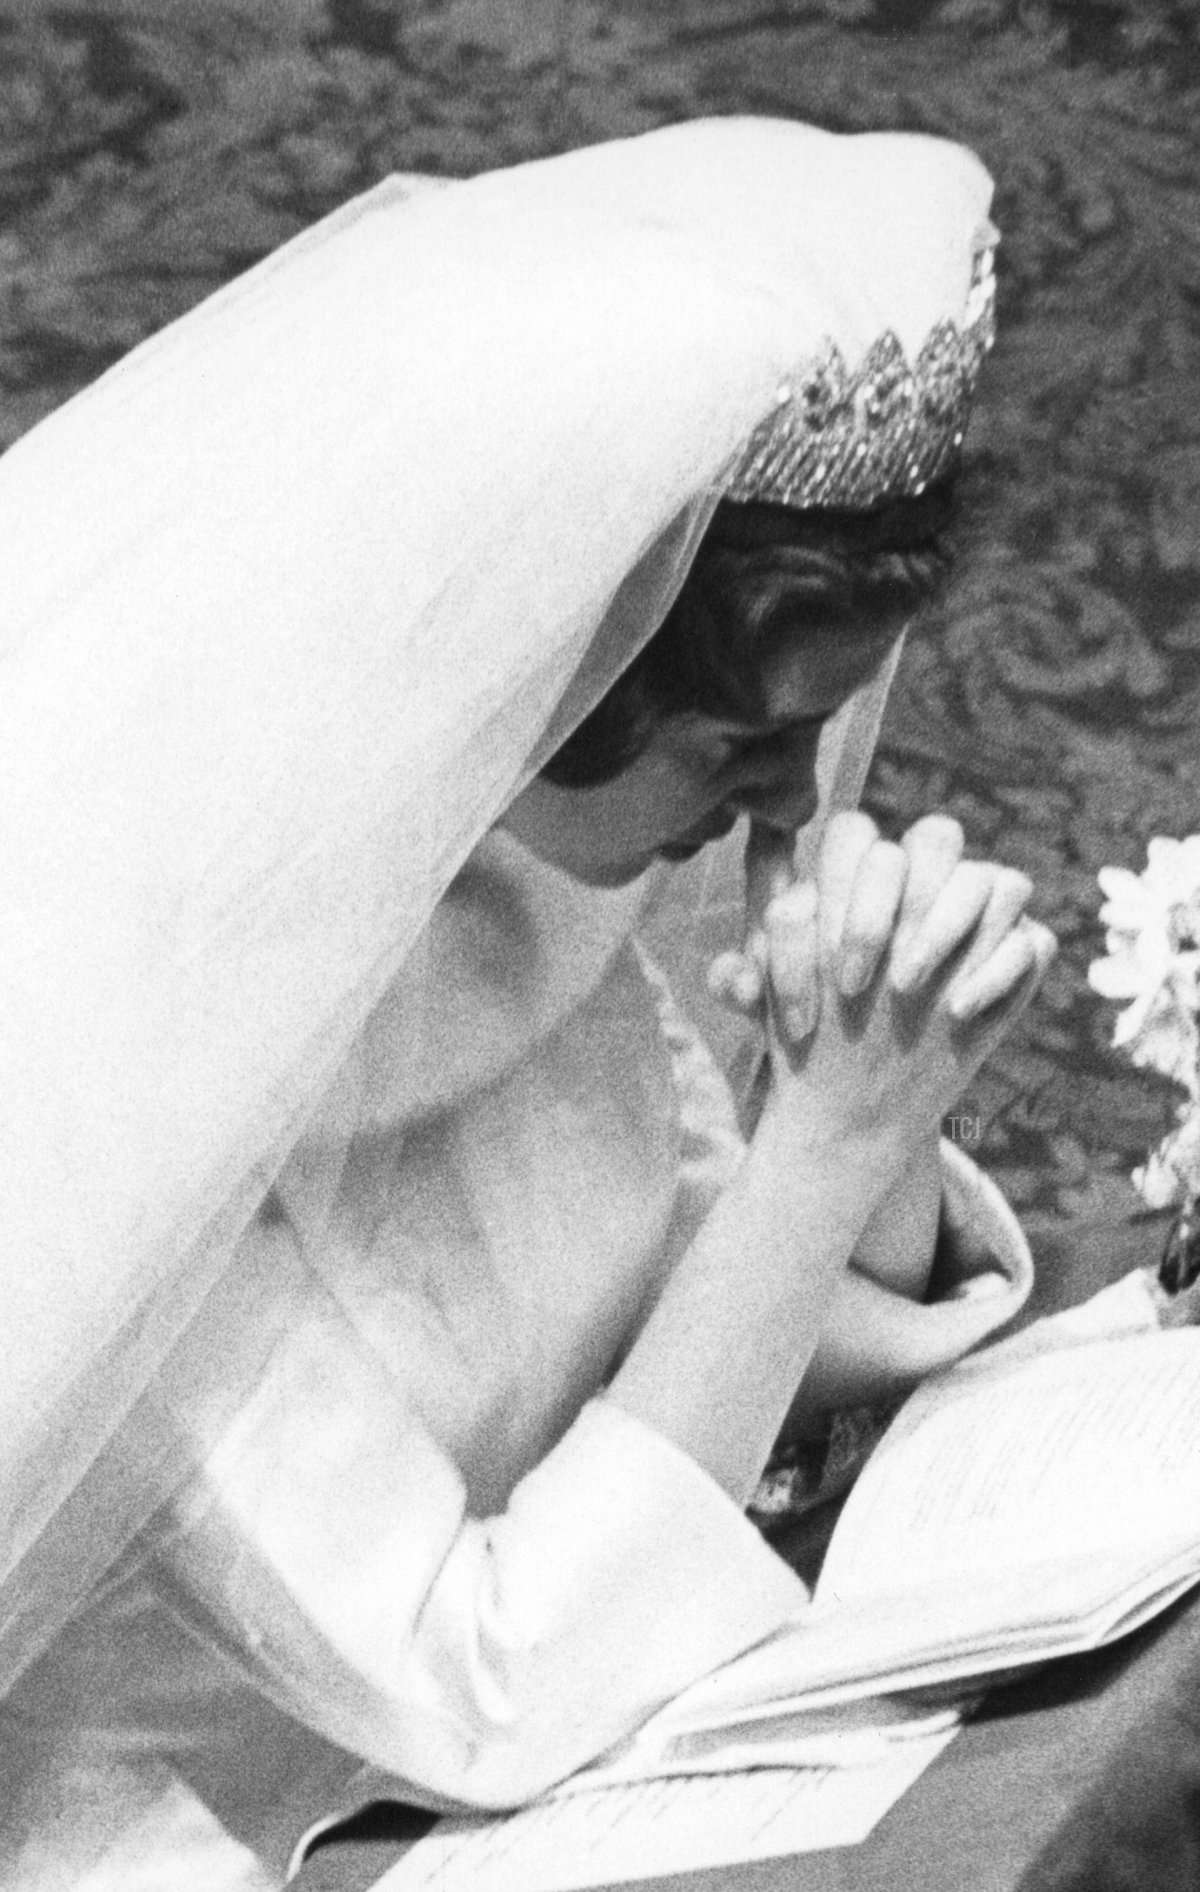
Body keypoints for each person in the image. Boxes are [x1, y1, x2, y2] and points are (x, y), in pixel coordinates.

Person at [0, 119, 1051, 1887]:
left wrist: (855, 1097)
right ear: (548, 677)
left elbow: (711, 1325)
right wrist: (832, 1144)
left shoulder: (504, 885)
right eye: (747, 745)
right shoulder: (113, 1049)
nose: (801, 810)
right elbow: (475, 1683)